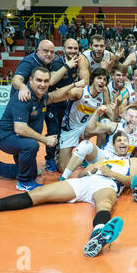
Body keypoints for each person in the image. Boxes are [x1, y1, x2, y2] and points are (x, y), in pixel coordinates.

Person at [0, 132, 137, 258]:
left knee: (105, 204)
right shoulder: (104, 158)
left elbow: (132, 180)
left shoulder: (132, 160)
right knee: (39, 193)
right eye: (119, 141)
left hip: (107, 184)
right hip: (85, 182)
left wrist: (111, 174)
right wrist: (88, 170)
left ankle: (97, 234)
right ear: (114, 144)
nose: (123, 143)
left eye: (125, 141)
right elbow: (83, 173)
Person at [0, 67, 86, 191]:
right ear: (31, 80)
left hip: (20, 138)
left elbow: (55, 96)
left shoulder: (42, 96)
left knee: (32, 173)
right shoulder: (24, 97)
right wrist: (45, 139)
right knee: (31, 146)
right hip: (6, 137)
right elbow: (20, 128)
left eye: (46, 81)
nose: (42, 84)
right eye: (39, 80)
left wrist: (74, 85)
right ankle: (24, 182)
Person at [60, 105, 137, 180]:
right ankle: (64, 177)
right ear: (125, 116)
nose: (133, 120)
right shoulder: (113, 126)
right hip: (102, 158)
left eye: (136, 117)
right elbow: (90, 129)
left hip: (120, 163)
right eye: (131, 116)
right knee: (85, 145)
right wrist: (97, 113)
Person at [56, 67, 111, 173]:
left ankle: (97, 157)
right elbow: (63, 95)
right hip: (70, 129)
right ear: (93, 79)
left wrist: (106, 92)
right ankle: (59, 153)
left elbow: (109, 111)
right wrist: (65, 91)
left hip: (86, 128)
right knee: (63, 168)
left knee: (105, 126)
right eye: (99, 78)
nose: (102, 81)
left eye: (104, 80)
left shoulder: (102, 94)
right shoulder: (81, 92)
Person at [44, 38, 81, 172]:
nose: (73, 51)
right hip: (53, 104)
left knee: (65, 132)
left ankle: (60, 155)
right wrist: (67, 66)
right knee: (53, 132)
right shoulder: (57, 62)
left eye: (75, 48)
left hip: (68, 105)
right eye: (70, 48)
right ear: (64, 49)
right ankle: (49, 158)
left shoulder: (79, 63)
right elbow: (52, 81)